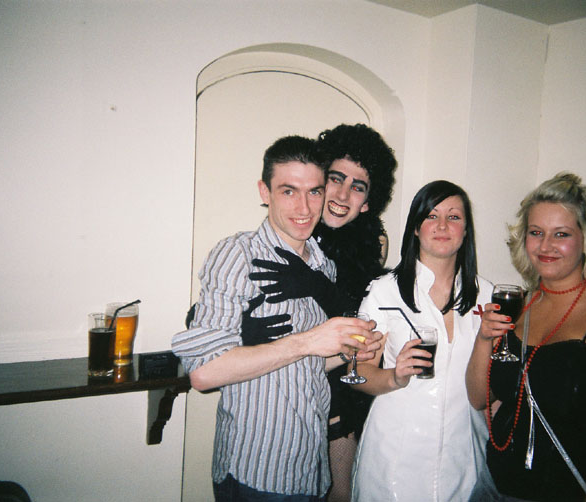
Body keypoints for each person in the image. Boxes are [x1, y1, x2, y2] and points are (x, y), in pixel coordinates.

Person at [171, 135, 381, 502]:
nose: (304, 207)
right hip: (257, 471)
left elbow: (303, 365)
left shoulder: (323, 265)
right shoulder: (238, 254)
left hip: (310, 469)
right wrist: (308, 341)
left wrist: (345, 353)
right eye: (288, 191)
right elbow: (203, 373)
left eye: (314, 192)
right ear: (264, 192)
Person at [466, 172, 586, 502]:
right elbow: (479, 397)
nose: (545, 246)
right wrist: (483, 339)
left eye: (561, 234)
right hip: (492, 488)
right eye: (536, 232)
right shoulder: (519, 306)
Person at [245, 123, 397, 502]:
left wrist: (314, 285)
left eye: (358, 186)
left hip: (340, 385)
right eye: (335, 179)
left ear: (367, 201)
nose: (342, 195)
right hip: (284, 388)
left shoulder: (373, 242)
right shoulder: (294, 230)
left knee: (339, 491)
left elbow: (359, 319)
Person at [349, 180, 493, 501]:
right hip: (394, 462)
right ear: (416, 228)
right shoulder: (384, 291)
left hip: (465, 460)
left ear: (466, 230)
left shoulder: (487, 296)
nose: (442, 225)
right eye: (431, 216)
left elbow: (491, 388)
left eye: (453, 217)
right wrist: (394, 376)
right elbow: (356, 371)